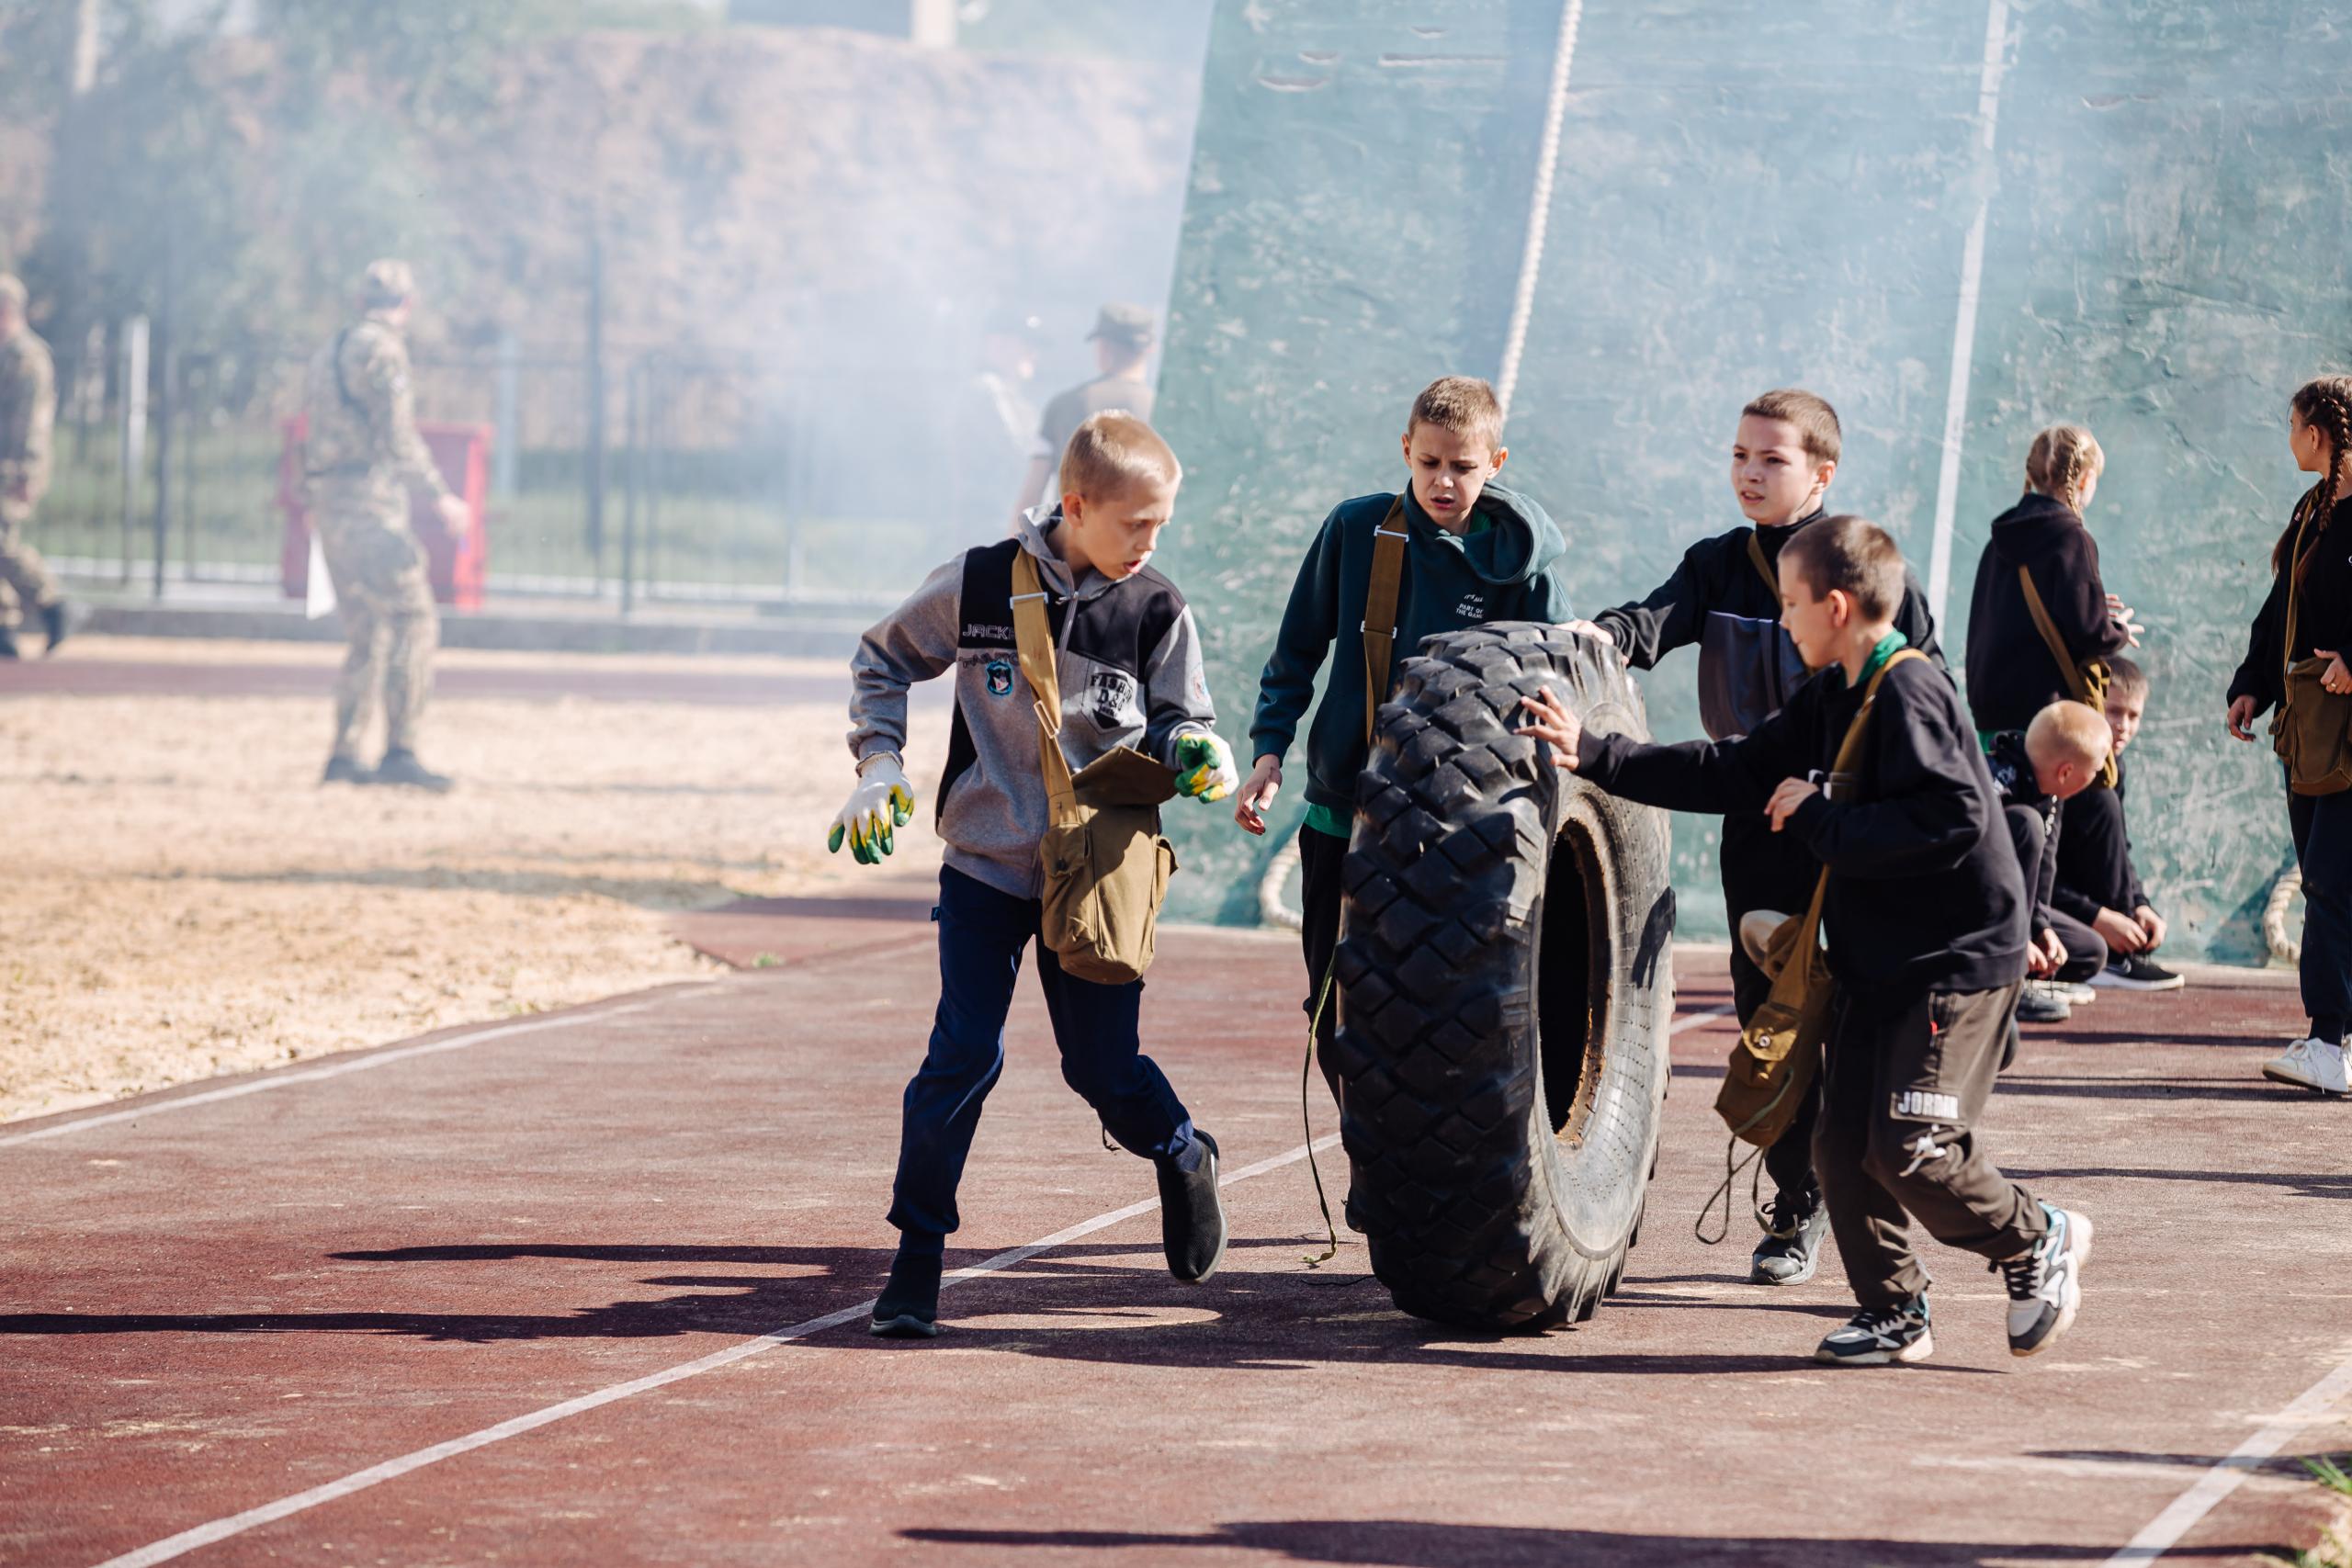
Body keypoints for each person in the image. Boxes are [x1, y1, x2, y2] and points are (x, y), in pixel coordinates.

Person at [1522, 515, 2093, 1366]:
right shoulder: (1835, 693)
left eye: (1790, 604)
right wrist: (1595, 755)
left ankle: (2035, 1237)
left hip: (1955, 964)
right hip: (1880, 959)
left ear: (1835, 606)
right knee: (1837, 1142)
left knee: (1913, 1147)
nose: (1781, 621)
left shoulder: (1910, 692)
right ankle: (1897, 1311)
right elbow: (1733, 771)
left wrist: (1822, 814)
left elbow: (1955, 822)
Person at [838, 410, 1243, 1337]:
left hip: (1096, 866)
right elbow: (881, 658)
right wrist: (879, 764)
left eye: (1161, 526)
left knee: (1098, 1068)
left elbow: (1183, 718)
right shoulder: (981, 583)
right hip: (984, 866)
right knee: (961, 1055)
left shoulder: (1156, 607)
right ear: (1074, 505)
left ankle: (1180, 1150)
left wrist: (1197, 752)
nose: (1150, 543)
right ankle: (918, 1257)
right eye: (1135, 523)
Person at [1566, 389, 1943, 1290]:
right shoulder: (1713, 565)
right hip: (1753, 828)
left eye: (1770, 459)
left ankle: (1862, 1230)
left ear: (1821, 472)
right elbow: (1651, 623)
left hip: (1849, 837)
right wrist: (1601, 637)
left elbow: (1927, 695)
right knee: (1767, 1025)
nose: (1748, 471)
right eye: (1739, 454)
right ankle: (1796, 1197)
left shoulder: (1867, 570)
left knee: (1847, 1025)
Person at [1232, 375, 1573, 1111]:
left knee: (1442, 1006)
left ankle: (1433, 1161)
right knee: (1333, 1005)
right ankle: (1371, 1153)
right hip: (1342, 808)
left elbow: (1561, 687)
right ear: (1405, 451)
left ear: (1497, 463)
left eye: (1463, 466)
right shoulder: (1356, 530)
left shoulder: (1524, 566)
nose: (1443, 481)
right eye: (1428, 463)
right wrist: (1268, 753)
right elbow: (1295, 655)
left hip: (1463, 827)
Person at [302, 258, 471, 791]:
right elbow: (397, 436)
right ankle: (401, 749)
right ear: (407, 305)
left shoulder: (329, 351)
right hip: (370, 503)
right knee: (413, 620)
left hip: (330, 501)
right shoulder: (384, 350)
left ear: (359, 301)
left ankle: (345, 753)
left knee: (366, 632)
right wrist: (440, 495)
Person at [2229, 376, 2352, 1098]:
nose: (2288, 435)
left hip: (2348, 727)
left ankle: (2328, 1040)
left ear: (2319, 433)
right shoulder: (2313, 511)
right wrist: (2251, 684)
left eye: (2292, 422)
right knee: (2327, 873)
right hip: (2309, 727)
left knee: (2331, 881)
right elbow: (2281, 611)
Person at [1963, 423, 2143, 738]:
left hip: (1990, 720)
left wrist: (2094, 610)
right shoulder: (2072, 539)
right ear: (2085, 480)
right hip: (2046, 722)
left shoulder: (1998, 542)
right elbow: (2091, 633)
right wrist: (2119, 631)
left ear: (2031, 477)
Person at [2055, 657, 2183, 991]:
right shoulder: (2061, 765)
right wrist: (2100, 916)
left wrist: (2139, 905)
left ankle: (2117, 949)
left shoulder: (2114, 767)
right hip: (2050, 903)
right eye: (2113, 712)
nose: (2123, 725)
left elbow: (2117, 849)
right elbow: (2039, 874)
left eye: (2133, 715)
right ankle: (2112, 956)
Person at [1987, 703, 2117, 1027]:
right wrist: (2016, 942)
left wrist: (2040, 928)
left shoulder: (2050, 794)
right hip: (1974, 914)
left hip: (2013, 917)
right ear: (2066, 772)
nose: (2097, 777)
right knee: (2026, 824)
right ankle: (2006, 985)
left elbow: (2042, 870)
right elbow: (1980, 875)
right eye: (2096, 769)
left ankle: (2022, 967)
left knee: (2089, 951)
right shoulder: (1993, 787)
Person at [1013, 304, 1157, 521]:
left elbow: (1033, 492)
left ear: (1102, 347)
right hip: (1138, 547)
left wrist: (1012, 550)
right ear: (1150, 349)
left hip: (1068, 545)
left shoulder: (1064, 405)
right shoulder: (1161, 411)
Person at [0, 273, 80, 659]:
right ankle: (3, 627)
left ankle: (53, 603)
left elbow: (33, 421)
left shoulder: (27, 359)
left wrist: (26, 471)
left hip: (13, 466)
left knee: (2, 544)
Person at [944, 307, 1041, 553]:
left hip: (1002, 522)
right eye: (1026, 344)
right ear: (997, 345)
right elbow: (1022, 452)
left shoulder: (1006, 393)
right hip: (991, 526)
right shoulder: (988, 390)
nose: (1033, 354)